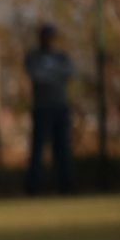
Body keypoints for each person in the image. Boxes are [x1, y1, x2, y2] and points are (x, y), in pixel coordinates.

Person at [25, 23, 74, 194]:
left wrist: (49, 74)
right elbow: (37, 75)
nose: (49, 40)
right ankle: (34, 189)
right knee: (38, 150)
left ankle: (66, 188)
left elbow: (69, 72)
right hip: (42, 108)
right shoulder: (33, 56)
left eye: (51, 37)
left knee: (63, 149)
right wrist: (54, 75)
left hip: (61, 107)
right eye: (46, 36)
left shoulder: (62, 57)